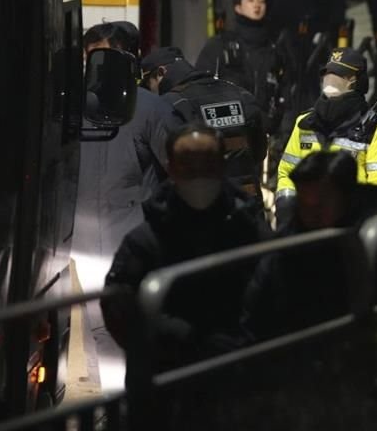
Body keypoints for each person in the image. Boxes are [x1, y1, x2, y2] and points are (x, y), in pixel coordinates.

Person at [102, 125, 270, 380]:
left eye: (207, 166)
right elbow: (119, 310)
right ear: (171, 169)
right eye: (188, 167)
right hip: (167, 387)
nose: (198, 176)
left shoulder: (249, 230)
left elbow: (277, 293)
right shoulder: (145, 241)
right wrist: (177, 343)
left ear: (221, 167)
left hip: (239, 382)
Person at [73, 22, 180, 391]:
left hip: (128, 235)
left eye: (100, 56)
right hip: (78, 239)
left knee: (118, 329)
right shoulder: (71, 104)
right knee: (93, 329)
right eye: (88, 58)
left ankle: (122, 409)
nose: (93, 66)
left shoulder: (149, 108)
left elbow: (179, 167)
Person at [243, 151, 377, 341]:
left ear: (345, 197)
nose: (311, 215)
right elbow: (260, 299)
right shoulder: (290, 239)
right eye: (303, 205)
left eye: (320, 205)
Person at [275, 48, 377, 211]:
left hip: (348, 225)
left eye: (341, 76)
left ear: (358, 81)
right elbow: (287, 172)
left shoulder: (376, 129)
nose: (332, 81)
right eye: (328, 75)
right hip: (307, 221)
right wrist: (287, 206)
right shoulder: (305, 123)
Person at [141, 48, 267, 198]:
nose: (150, 92)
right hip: (247, 205)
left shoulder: (169, 105)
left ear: (160, 73)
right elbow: (259, 152)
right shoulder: (241, 94)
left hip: (206, 208)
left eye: (148, 85)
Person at [195, 0, 289, 130]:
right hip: (226, 131)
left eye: (261, 1)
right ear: (238, 7)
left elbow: (283, 91)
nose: (257, 5)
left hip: (265, 132)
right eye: (251, 0)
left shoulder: (273, 49)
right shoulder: (221, 44)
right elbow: (200, 87)